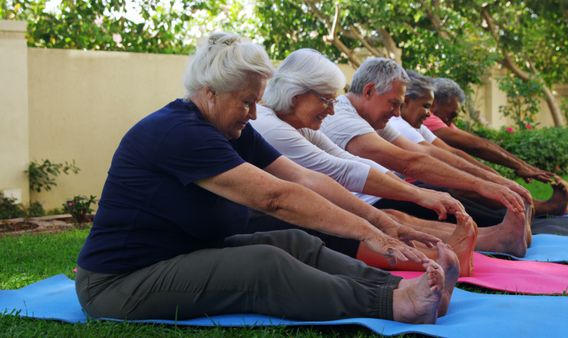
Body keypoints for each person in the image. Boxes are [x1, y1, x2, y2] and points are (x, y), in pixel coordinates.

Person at [74, 32, 448, 324]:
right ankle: (394, 304)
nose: (254, 114)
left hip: (178, 255)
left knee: (293, 242)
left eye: (257, 101)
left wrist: (383, 222)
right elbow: (275, 198)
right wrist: (366, 231)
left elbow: (304, 179)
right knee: (263, 266)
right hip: (117, 284)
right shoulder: (178, 132)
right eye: (246, 101)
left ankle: (400, 287)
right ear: (210, 93)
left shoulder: (229, 129)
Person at [250, 49, 475, 282]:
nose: (331, 110)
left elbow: (347, 161)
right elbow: (337, 171)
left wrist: (414, 194)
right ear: (295, 95)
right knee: (327, 219)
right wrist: (415, 195)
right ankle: (434, 261)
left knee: (370, 216)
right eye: (326, 100)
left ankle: (444, 253)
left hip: (285, 211)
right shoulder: (270, 126)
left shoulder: (298, 123)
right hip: (257, 226)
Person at [320, 57, 530, 256]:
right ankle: (498, 238)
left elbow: (423, 153)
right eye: (394, 104)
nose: (397, 114)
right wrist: (483, 184)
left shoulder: (365, 115)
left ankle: (500, 236)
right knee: (396, 214)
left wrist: (494, 181)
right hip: (353, 206)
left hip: (368, 198)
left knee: (407, 207)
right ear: (369, 91)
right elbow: (409, 162)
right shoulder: (342, 119)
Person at [425, 77, 568, 215]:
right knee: (463, 184)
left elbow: (477, 145)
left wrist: (516, 170)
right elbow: (475, 146)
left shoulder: (432, 122)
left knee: (473, 177)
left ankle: (531, 206)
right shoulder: (427, 119)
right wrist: (515, 170)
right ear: (434, 102)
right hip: (423, 186)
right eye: (450, 114)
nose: (450, 121)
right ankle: (541, 208)